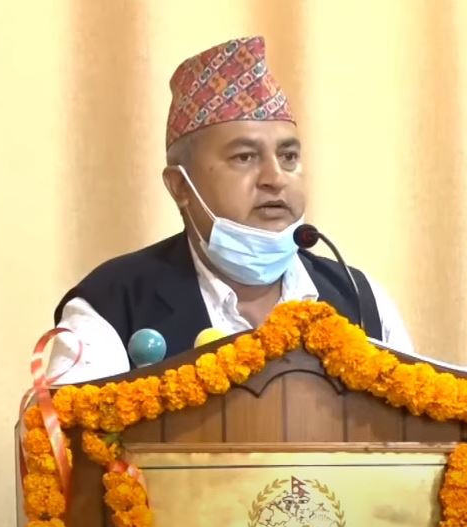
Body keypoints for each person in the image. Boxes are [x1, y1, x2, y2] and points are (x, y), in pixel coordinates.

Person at [47, 36, 412, 382]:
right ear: (180, 187)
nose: (275, 178)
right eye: (244, 157)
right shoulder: (114, 303)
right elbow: (66, 427)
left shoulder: (361, 299)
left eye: (288, 157)